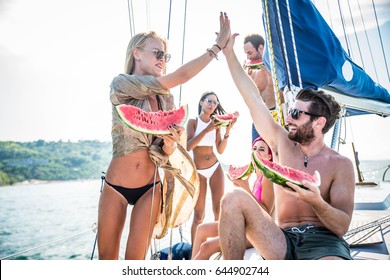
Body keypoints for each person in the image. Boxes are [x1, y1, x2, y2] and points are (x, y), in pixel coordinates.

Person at [97, 12, 231, 260]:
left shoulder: (165, 99)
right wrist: (215, 49)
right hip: (116, 186)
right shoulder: (121, 84)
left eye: (165, 56)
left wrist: (170, 145)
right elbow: (180, 77)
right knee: (107, 260)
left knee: (135, 264)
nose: (162, 59)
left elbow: (161, 152)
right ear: (136, 53)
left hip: (151, 186)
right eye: (157, 53)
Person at [218, 32, 355, 260]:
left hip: (325, 243)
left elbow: (341, 226)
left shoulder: (341, 165)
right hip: (282, 238)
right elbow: (253, 99)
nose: (288, 118)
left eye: (295, 113)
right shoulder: (281, 142)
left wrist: (316, 202)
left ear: (318, 122)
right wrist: (229, 54)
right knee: (232, 198)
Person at [191, 137, 274, 260]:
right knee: (201, 229)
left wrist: (246, 188)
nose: (257, 152)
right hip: (246, 227)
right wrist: (241, 186)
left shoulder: (268, 178)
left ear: (269, 156)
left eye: (262, 149)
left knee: (207, 247)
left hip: (260, 233)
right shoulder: (256, 177)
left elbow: (265, 213)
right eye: (254, 149)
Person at [186, 91, 237, 244]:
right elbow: (189, 146)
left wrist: (227, 132)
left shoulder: (216, 124)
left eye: (215, 103)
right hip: (199, 172)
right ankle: (194, 254)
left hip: (215, 168)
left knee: (218, 211)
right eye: (209, 101)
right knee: (199, 215)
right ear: (201, 103)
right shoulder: (193, 122)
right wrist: (207, 129)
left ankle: (217, 247)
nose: (212, 105)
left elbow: (220, 149)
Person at [243, 34, 282, 142]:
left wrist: (268, 71)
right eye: (246, 54)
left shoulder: (277, 65)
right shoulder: (252, 73)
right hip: (259, 116)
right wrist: (246, 78)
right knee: (257, 153)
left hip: (277, 114)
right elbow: (249, 98)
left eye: (249, 53)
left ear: (260, 48)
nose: (248, 57)